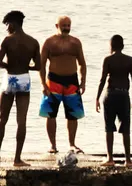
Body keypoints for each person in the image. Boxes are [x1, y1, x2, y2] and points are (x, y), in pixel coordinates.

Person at [39, 15, 86, 154]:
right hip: (53, 81)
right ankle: (53, 145)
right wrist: (43, 84)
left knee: (73, 115)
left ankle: (72, 144)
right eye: (63, 25)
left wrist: (83, 82)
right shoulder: (49, 42)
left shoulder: (76, 43)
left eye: (68, 25)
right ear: (56, 26)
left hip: (72, 81)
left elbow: (82, 63)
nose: (66, 28)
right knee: (50, 114)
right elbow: (41, 65)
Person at [0, 11, 40, 167]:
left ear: (13, 23)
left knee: (2, 119)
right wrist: (26, 66)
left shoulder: (8, 41)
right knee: (21, 120)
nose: (6, 28)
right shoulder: (33, 42)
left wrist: (7, 66)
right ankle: (17, 159)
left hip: (10, 78)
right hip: (24, 79)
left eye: (7, 25)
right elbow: (39, 66)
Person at [95, 34, 132, 167]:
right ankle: (128, 160)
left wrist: (97, 98)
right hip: (124, 95)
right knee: (126, 128)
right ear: (123, 46)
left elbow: (103, 80)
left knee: (109, 127)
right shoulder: (130, 60)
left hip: (111, 94)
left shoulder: (108, 59)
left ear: (111, 46)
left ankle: (110, 158)